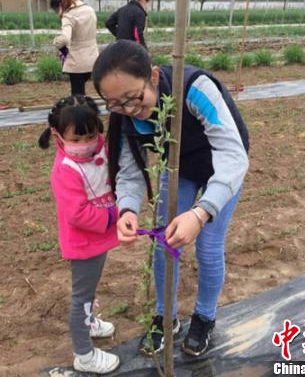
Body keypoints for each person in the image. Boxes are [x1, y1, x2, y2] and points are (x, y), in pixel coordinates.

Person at [92, 40, 249, 357]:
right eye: (115, 104)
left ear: (151, 76)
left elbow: (233, 156)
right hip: (181, 169)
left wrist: (201, 213)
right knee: (165, 242)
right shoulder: (125, 116)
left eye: (133, 98)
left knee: (207, 244)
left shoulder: (195, 89)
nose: (129, 110)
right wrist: (127, 208)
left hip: (224, 167)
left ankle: (205, 316)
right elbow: (130, 171)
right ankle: (166, 316)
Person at [38, 95, 121, 374]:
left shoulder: (100, 150)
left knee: (91, 287)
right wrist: (111, 215)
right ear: (57, 135)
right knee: (82, 298)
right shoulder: (65, 169)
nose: (85, 144)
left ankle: (90, 322)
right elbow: (76, 214)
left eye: (90, 135)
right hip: (84, 243)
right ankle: (84, 354)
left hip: (100, 238)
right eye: (76, 139)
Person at [50, 0, 99, 96]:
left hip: (77, 63)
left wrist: (55, 42)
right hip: (92, 59)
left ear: (59, 5)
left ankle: (81, 111)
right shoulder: (89, 10)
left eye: (56, 10)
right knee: (81, 94)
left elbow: (65, 38)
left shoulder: (68, 16)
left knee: (77, 95)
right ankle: (85, 109)